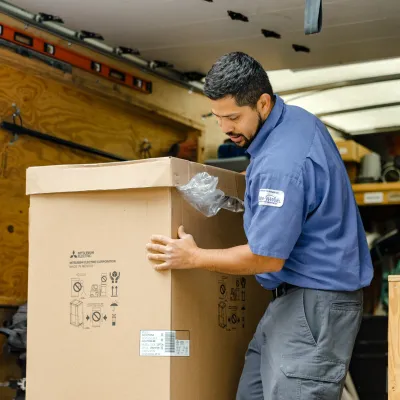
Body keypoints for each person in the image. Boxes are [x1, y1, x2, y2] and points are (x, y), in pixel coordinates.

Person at [146, 52, 373, 399]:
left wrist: (193, 257)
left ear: (263, 103)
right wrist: (240, 191)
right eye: (217, 117)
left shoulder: (281, 165)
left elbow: (265, 259)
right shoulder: (296, 122)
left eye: (233, 117)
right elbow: (283, 182)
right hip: (292, 301)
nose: (224, 128)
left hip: (314, 303)